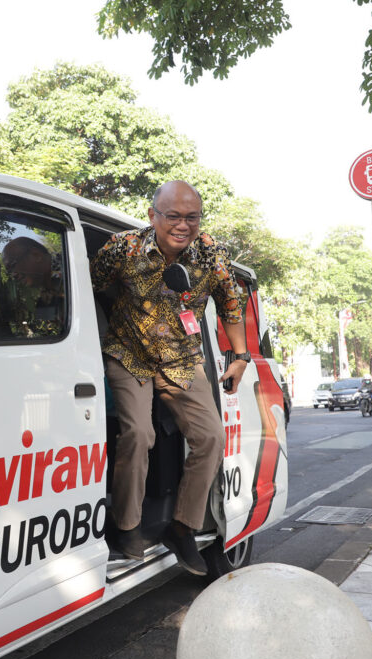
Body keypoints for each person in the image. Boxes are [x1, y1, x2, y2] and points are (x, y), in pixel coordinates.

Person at [90, 180, 250, 575]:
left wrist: (241, 356)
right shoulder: (122, 248)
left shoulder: (211, 253)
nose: (182, 225)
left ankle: (182, 527)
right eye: (173, 216)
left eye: (191, 217)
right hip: (129, 353)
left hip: (181, 357)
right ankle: (127, 527)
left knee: (211, 437)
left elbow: (232, 302)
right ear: (153, 216)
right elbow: (93, 287)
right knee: (139, 434)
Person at [1, 236, 65, 337]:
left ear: (36, 255)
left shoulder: (75, 270)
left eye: (12, 265)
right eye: (9, 272)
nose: (13, 275)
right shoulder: (42, 298)